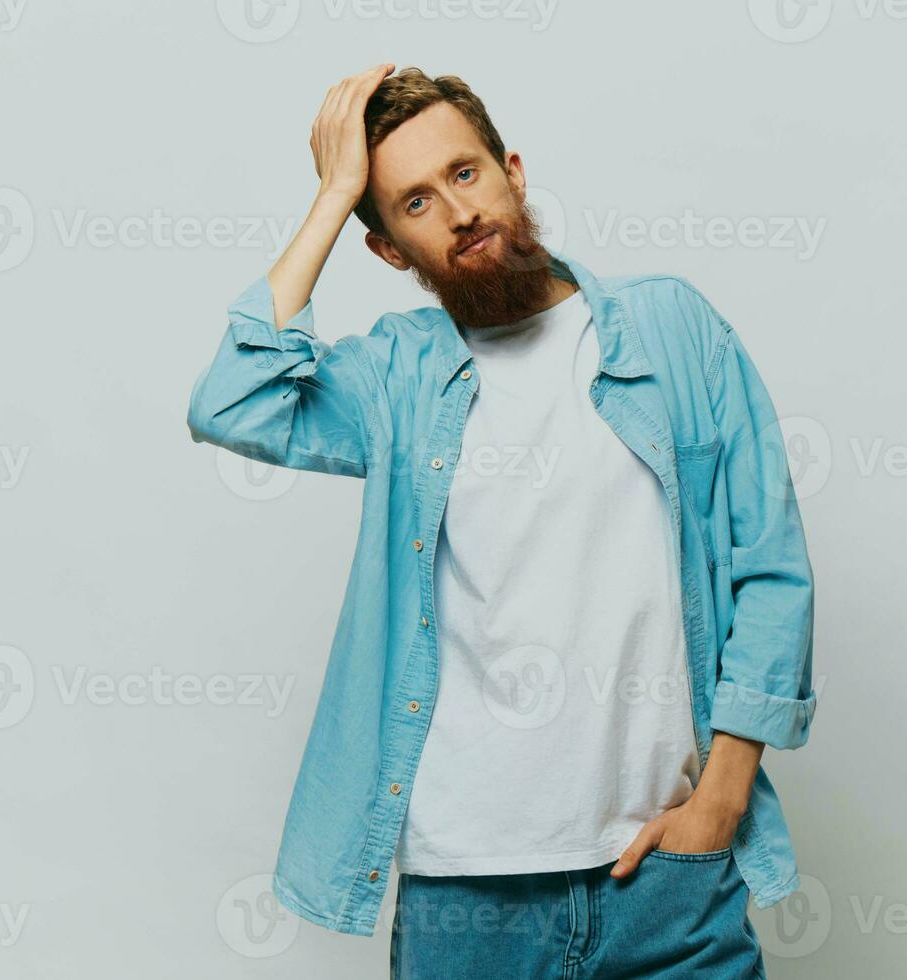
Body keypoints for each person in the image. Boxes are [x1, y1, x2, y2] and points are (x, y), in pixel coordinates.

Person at [187, 63, 818, 978]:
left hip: (669, 882)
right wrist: (335, 196)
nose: (457, 209)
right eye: (413, 201)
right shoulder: (396, 376)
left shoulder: (672, 330)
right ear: (390, 250)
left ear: (514, 171)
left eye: (466, 173)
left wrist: (720, 802)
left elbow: (770, 564)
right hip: (466, 902)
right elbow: (229, 402)